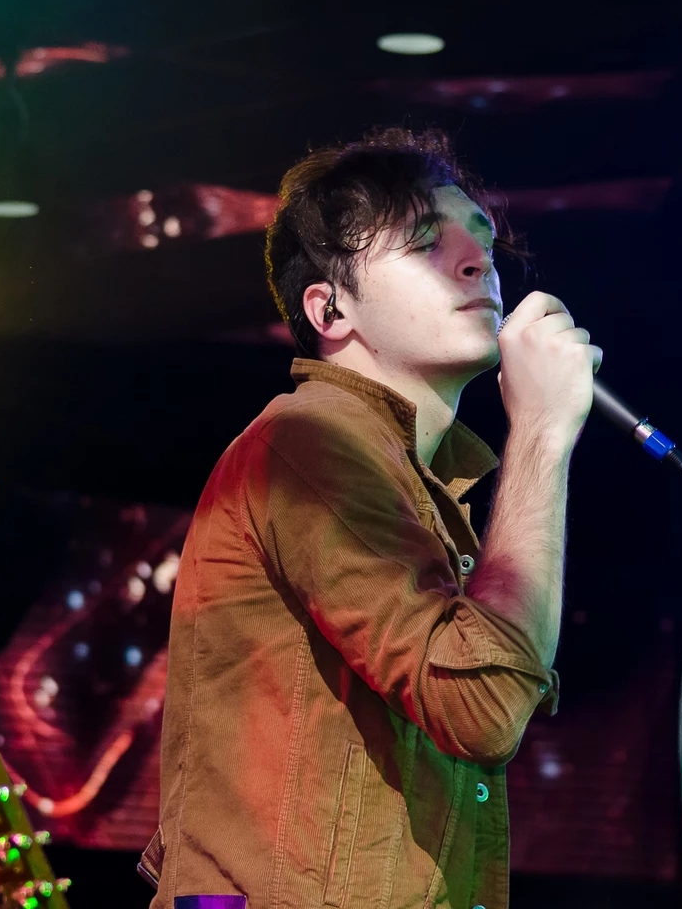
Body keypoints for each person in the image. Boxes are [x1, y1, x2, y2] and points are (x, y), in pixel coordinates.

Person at [141, 127, 600, 909]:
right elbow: (482, 708)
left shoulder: (405, 473)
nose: (477, 261)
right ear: (331, 307)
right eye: (424, 243)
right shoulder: (308, 444)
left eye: (482, 240)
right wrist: (543, 433)